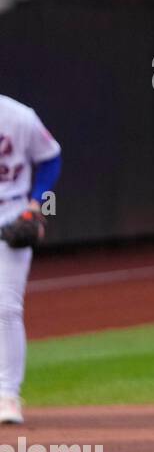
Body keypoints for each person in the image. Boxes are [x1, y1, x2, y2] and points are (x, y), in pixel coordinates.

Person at [0, 95, 61, 426]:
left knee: (7, 308)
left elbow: (51, 157)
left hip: (10, 214)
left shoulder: (20, 116)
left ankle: (8, 394)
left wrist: (38, 202)